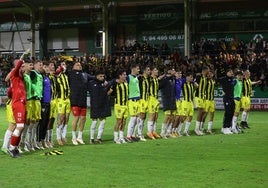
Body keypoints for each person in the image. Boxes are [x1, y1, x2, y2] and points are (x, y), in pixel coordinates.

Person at [7, 50, 30, 158]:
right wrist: (23, 55)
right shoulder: (14, 73)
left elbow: (9, 93)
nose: (22, 67)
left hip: (22, 103)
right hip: (18, 104)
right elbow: (18, 66)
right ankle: (11, 148)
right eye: (21, 66)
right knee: (20, 126)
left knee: (22, 126)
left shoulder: (20, 78)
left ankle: (15, 148)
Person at [68, 61, 92, 145]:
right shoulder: (70, 74)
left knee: (83, 119)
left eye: (80, 65)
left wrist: (103, 80)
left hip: (83, 100)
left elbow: (93, 78)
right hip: (75, 99)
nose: (79, 66)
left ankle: (80, 137)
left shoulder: (84, 74)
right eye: (77, 64)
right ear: (73, 67)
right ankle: (73, 137)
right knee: (76, 118)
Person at [88, 68, 115, 144]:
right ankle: (92, 138)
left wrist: (109, 91)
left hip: (104, 104)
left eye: (103, 76)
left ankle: (99, 138)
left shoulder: (105, 83)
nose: (102, 78)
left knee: (103, 122)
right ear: (96, 76)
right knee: (94, 122)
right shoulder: (91, 83)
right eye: (100, 76)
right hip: (95, 105)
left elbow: (112, 82)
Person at [146, 66, 164, 139]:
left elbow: (160, 78)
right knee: (152, 116)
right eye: (155, 70)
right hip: (151, 99)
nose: (157, 71)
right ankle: (149, 132)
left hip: (156, 99)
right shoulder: (149, 79)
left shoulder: (156, 79)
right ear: (152, 71)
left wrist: (165, 75)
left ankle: (154, 131)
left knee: (156, 116)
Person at [29, 60, 44, 149]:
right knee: (30, 123)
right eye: (39, 65)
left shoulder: (40, 75)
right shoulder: (33, 73)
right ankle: (27, 143)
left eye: (42, 65)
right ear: (34, 66)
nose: (41, 66)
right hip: (33, 100)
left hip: (38, 100)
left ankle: (33, 142)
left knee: (36, 123)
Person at [55, 61, 71, 145]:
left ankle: (63, 135)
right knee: (61, 118)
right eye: (63, 64)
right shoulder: (58, 74)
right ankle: (58, 137)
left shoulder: (65, 75)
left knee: (66, 118)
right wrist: (61, 68)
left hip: (67, 99)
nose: (65, 66)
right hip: (60, 99)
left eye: (65, 64)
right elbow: (56, 72)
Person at [36, 61, 51, 148]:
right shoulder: (40, 77)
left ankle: (43, 140)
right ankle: (38, 141)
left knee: (46, 123)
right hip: (43, 103)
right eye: (45, 67)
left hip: (48, 103)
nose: (46, 68)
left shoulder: (47, 77)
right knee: (41, 123)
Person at [112, 69, 128, 144]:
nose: (125, 76)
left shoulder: (126, 83)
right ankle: (116, 138)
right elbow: (109, 91)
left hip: (125, 105)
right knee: (118, 121)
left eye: (125, 74)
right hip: (119, 105)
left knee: (124, 121)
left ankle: (121, 137)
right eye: (124, 75)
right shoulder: (116, 84)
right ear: (120, 76)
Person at [159, 68, 176, 138]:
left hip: (172, 99)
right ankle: (162, 132)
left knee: (172, 116)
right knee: (168, 116)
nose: (174, 72)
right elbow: (159, 86)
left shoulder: (173, 79)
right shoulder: (164, 80)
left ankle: (169, 132)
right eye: (173, 70)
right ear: (169, 71)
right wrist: (164, 76)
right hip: (166, 99)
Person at [126, 63, 140, 142]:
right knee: (133, 118)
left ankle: (133, 135)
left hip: (137, 100)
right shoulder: (128, 77)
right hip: (132, 100)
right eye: (137, 68)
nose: (139, 70)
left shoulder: (136, 77)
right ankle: (128, 136)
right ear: (133, 69)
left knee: (137, 119)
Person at [136, 65, 151, 141]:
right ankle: (139, 134)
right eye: (148, 70)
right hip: (141, 100)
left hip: (146, 100)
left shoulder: (148, 79)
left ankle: (137, 133)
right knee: (141, 116)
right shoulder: (140, 79)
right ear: (144, 71)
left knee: (143, 117)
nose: (149, 71)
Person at [219, 68, 235, 134]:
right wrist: (222, 90)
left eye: (232, 72)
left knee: (231, 112)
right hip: (226, 98)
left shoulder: (232, 79)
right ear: (227, 73)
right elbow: (215, 81)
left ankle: (227, 127)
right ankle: (225, 127)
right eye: (230, 72)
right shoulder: (223, 79)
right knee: (228, 113)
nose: (232, 73)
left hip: (232, 98)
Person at [194, 66, 209, 136]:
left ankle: (199, 128)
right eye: (207, 71)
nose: (208, 72)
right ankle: (196, 129)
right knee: (200, 111)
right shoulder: (199, 77)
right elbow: (194, 82)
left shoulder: (206, 78)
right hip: (198, 96)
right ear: (204, 71)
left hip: (203, 97)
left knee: (204, 112)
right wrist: (195, 84)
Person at [46, 60, 57, 147]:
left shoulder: (54, 77)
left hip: (54, 101)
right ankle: (45, 140)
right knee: (47, 121)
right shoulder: (46, 77)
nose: (53, 66)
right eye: (51, 65)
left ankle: (50, 139)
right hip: (48, 101)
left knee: (52, 120)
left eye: (54, 65)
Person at [180, 72, 195, 136]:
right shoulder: (183, 83)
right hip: (185, 102)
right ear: (187, 77)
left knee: (190, 116)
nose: (192, 78)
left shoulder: (191, 84)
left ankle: (186, 131)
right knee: (183, 117)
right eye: (191, 77)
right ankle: (178, 130)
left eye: (192, 77)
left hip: (191, 102)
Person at [172, 70, 185, 137]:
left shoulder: (181, 81)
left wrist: (194, 82)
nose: (180, 74)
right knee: (176, 117)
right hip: (174, 101)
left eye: (181, 73)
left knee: (181, 117)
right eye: (178, 73)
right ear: (175, 74)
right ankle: (171, 131)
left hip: (179, 100)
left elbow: (189, 79)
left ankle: (176, 131)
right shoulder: (173, 81)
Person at [203, 69, 216, 134]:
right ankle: (201, 128)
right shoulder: (206, 80)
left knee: (212, 114)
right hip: (207, 100)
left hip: (212, 100)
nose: (209, 75)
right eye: (208, 74)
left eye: (211, 74)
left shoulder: (213, 81)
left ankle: (209, 129)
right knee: (204, 114)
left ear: (213, 75)